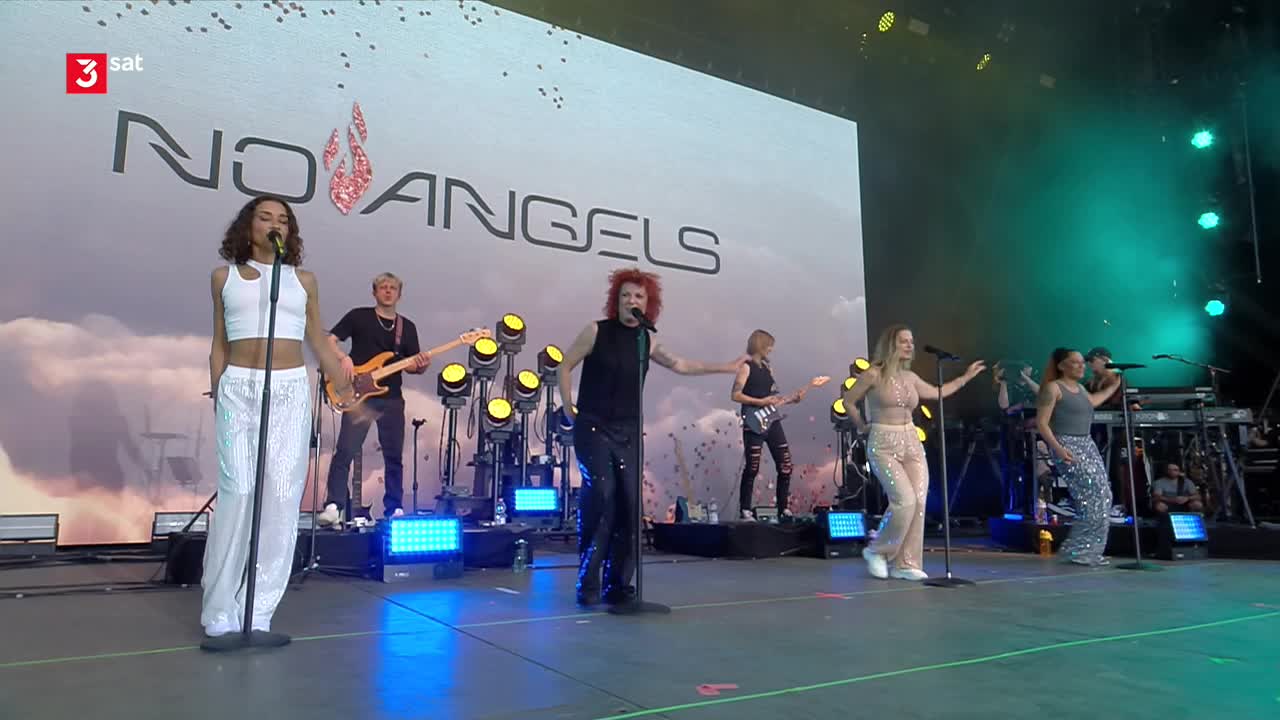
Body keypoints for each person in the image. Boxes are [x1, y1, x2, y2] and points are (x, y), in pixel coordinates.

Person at [204, 195, 350, 638]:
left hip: (288, 390)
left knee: (282, 496)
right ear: (248, 226)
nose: (275, 224)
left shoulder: (303, 281)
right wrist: (218, 393)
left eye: (283, 220)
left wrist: (341, 382)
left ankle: (259, 608)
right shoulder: (224, 277)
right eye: (265, 217)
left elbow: (317, 339)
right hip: (238, 387)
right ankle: (219, 608)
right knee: (237, 491)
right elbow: (219, 343)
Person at [558, 267, 749, 606]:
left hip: (629, 430)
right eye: (625, 295)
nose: (631, 301)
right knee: (602, 494)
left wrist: (727, 367)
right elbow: (564, 365)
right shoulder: (596, 331)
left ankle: (617, 585)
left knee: (630, 505)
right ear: (616, 300)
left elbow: (681, 365)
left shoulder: (645, 340)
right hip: (593, 426)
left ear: (648, 304)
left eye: (638, 296)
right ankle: (588, 582)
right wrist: (569, 407)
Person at [840, 325, 986, 580]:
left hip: (911, 441)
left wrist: (966, 377)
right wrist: (862, 426)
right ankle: (877, 550)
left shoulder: (911, 377)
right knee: (904, 500)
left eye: (911, 341)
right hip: (883, 442)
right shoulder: (873, 374)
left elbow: (938, 392)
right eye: (904, 341)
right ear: (891, 345)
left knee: (918, 501)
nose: (910, 345)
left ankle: (906, 563)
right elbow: (849, 401)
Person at [317, 273, 431, 525]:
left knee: (393, 456)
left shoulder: (407, 327)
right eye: (383, 287)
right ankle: (334, 505)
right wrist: (344, 358)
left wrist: (422, 365)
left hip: (391, 398)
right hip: (359, 396)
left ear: (399, 294)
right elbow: (329, 340)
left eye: (392, 288)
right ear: (374, 292)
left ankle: (394, 508)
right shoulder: (358, 316)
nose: (388, 291)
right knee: (345, 450)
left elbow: (412, 365)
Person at [1034, 347, 1123, 566]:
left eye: (1083, 362)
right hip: (1067, 444)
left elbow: (1093, 401)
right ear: (1061, 365)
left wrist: (1114, 384)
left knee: (1103, 496)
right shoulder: (1054, 388)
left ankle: (1084, 551)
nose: (1082, 365)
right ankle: (1080, 551)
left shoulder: (1081, 389)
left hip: (1087, 444)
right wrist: (1058, 449)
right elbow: (1042, 423)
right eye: (1075, 362)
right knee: (1093, 496)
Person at [731, 330, 804, 521]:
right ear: (760, 345)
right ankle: (745, 509)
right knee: (752, 467)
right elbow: (735, 395)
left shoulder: (768, 368)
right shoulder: (746, 367)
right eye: (769, 345)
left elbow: (773, 398)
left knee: (785, 464)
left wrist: (791, 399)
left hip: (772, 420)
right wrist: (760, 402)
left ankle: (783, 508)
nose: (771, 349)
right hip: (754, 421)